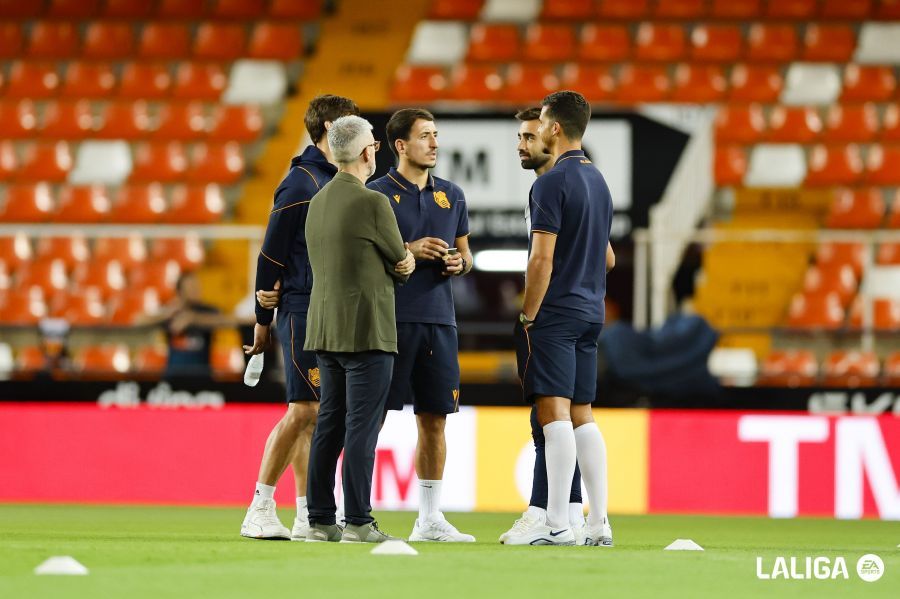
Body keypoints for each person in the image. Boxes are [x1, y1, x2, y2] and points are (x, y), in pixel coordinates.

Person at [240, 95, 361, 541]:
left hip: (329, 308)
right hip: (302, 307)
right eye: (352, 122)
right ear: (330, 127)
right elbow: (270, 254)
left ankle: (307, 513)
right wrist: (262, 319)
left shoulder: (335, 179)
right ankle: (259, 506)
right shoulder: (301, 183)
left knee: (317, 415)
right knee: (304, 408)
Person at [500, 108, 616, 546]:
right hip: (591, 312)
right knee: (583, 413)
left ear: (555, 127)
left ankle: (556, 524)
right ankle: (598, 523)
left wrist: (528, 315)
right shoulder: (598, 180)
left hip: (556, 313)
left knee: (554, 413)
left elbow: (540, 259)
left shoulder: (550, 184)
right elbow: (608, 258)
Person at [304, 115, 416, 543]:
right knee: (362, 429)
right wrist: (405, 261)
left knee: (329, 425)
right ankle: (357, 521)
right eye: (374, 144)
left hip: (325, 328)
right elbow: (400, 261)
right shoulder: (373, 202)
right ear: (368, 151)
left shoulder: (318, 201)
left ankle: (319, 520)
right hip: (367, 330)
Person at [367, 108, 475, 543]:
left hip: (439, 321)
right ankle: (353, 511)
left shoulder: (452, 194)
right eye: (425, 135)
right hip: (387, 322)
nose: (435, 143)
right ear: (400, 145)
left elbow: (467, 255)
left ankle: (429, 518)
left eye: (436, 135)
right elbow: (360, 256)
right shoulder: (375, 194)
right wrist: (407, 249)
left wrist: (458, 263)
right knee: (370, 419)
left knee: (435, 419)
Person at [138, 272, 232, 379]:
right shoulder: (172, 311)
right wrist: (166, 314)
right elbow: (139, 321)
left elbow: (227, 321)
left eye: (196, 286)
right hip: (173, 376)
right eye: (190, 287)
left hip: (201, 376)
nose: (196, 290)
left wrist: (193, 319)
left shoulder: (207, 310)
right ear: (180, 291)